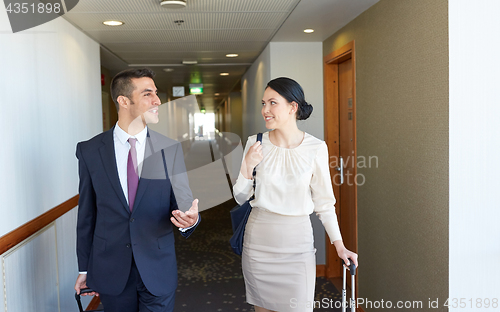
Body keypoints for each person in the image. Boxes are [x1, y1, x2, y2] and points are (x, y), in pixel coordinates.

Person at [74, 68, 200, 312]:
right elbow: (86, 215)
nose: (157, 100)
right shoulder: (90, 151)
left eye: (156, 93)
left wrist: (189, 220)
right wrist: (85, 268)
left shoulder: (169, 149)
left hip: (157, 267)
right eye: (147, 94)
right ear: (123, 101)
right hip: (111, 269)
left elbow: (182, 203)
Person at [233, 77, 358, 312]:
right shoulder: (255, 143)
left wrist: (339, 246)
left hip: (297, 245)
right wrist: (247, 166)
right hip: (259, 244)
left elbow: (325, 204)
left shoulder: (316, 148)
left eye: (272, 103)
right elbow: (240, 197)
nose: (265, 110)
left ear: (293, 107)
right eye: (263, 103)